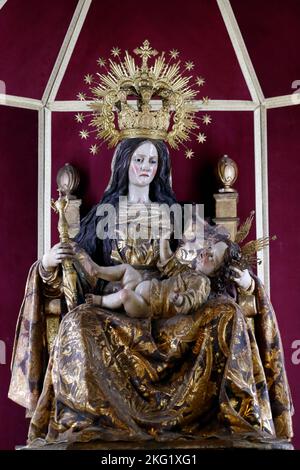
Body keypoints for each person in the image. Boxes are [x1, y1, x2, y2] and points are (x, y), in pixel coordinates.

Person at [9, 138, 293, 447]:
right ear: (124, 163)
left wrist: (247, 283)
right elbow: (78, 269)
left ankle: (235, 420)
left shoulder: (178, 214)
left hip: (172, 304)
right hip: (118, 309)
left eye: (153, 161)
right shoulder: (106, 212)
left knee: (227, 313)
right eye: (139, 160)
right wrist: (48, 266)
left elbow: (213, 253)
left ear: (161, 169)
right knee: (76, 323)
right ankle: (84, 419)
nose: (146, 167)